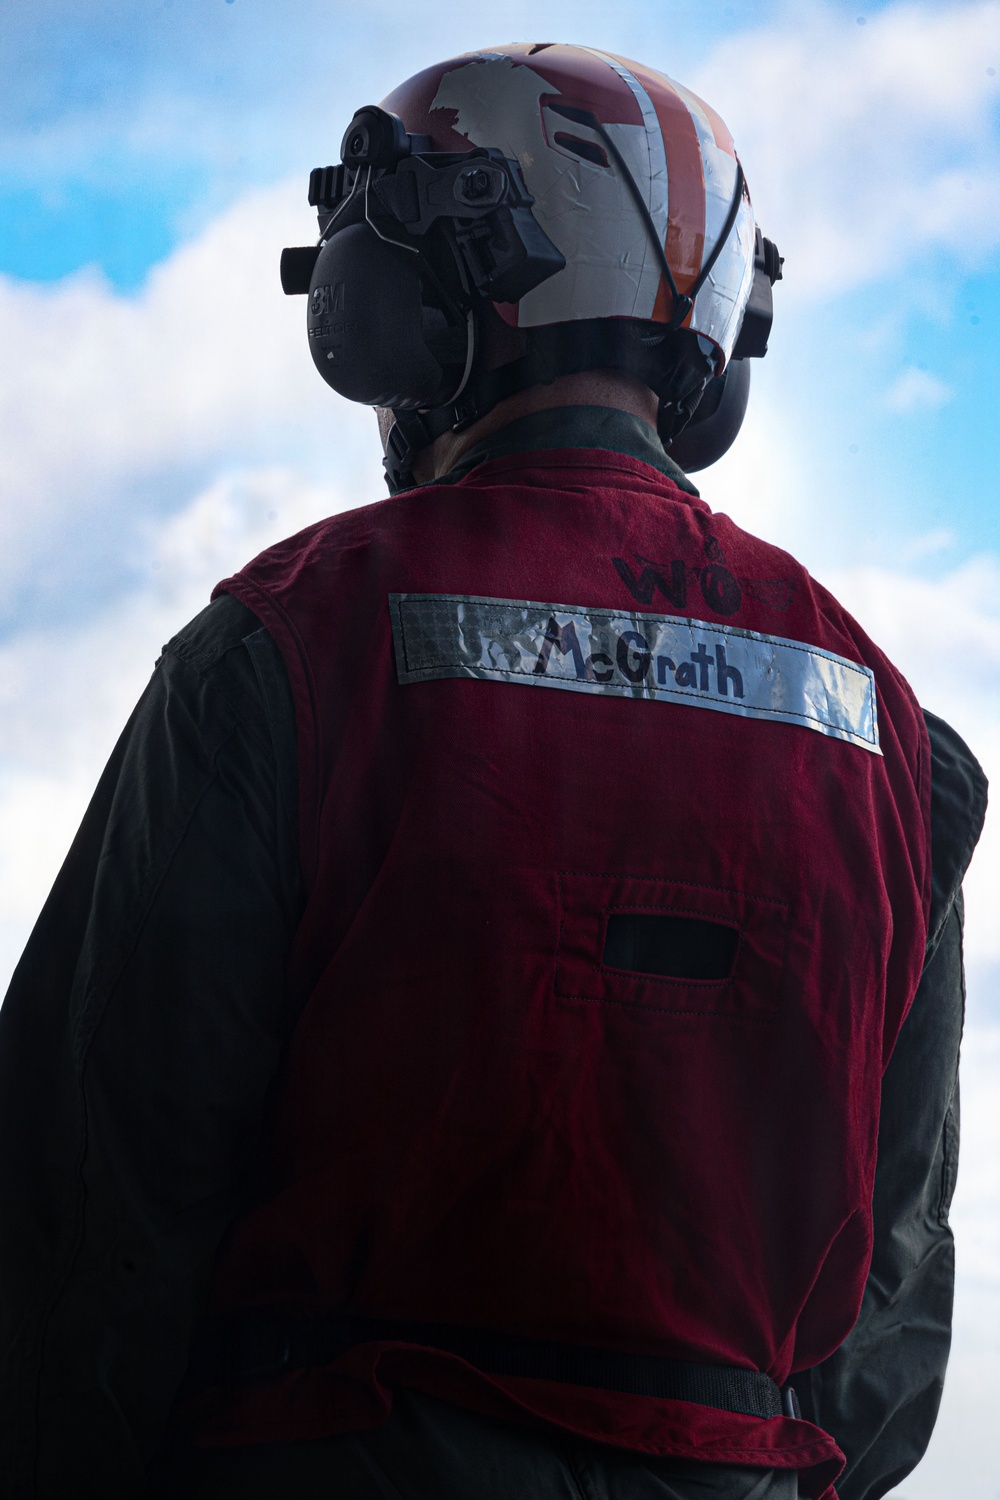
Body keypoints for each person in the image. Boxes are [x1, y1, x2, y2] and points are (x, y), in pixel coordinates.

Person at [0, 43, 986, 1500]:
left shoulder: (278, 654)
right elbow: (888, 1301)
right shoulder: (896, 743)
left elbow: (83, 1225)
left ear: (415, 305)